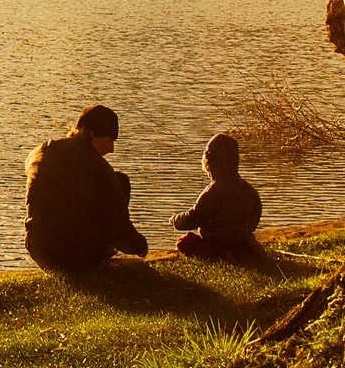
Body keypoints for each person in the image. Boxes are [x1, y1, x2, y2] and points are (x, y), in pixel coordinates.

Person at [24, 104, 148, 271]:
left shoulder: (40, 151)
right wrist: (140, 246)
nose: (111, 149)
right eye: (109, 140)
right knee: (121, 181)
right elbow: (119, 227)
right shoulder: (98, 169)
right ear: (91, 134)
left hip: (39, 250)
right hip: (77, 257)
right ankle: (91, 256)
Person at [172, 133, 264, 260]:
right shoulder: (250, 191)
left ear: (209, 163)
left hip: (216, 244)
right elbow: (255, 218)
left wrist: (176, 220)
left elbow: (193, 218)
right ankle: (242, 251)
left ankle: (224, 254)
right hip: (241, 241)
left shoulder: (212, 192)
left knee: (184, 242)